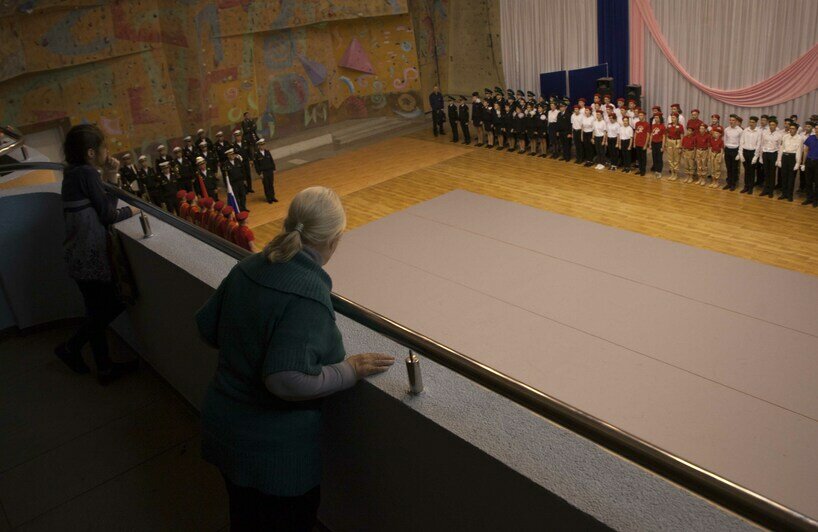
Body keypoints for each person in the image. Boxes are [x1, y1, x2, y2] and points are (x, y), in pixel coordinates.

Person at [196, 187, 395, 531]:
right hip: (272, 455)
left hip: (223, 430)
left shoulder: (248, 267)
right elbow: (284, 379)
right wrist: (350, 370)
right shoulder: (307, 294)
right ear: (334, 240)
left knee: (244, 519)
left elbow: (206, 327)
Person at [55, 124, 139, 385]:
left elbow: (101, 207)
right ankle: (72, 348)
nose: (108, 151)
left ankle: (102, 366)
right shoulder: (88, 174)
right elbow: (108, 215)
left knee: (95, 310)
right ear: (91, 153)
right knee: (112, 304)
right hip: (89, 256)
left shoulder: (73, 172)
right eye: (104, 147)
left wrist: (109, 174)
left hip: (77, 255)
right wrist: (132, 212)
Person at [778, 122, 803, 202]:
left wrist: (797, 163)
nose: (791, 130)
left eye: (793, 129)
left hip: (793, 158)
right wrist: (779, 160)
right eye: (790, 128)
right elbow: (781, 148)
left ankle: (789, 195)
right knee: (784, 177)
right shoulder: (785, 136)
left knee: (791, 178)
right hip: (785, 157)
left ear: (796, 130)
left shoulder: (799, 138)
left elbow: (799, 151)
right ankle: (783, 194)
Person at [758, 118, 783, 197]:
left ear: (776, 126)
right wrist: (761, 157)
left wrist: (778, 159)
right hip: (765, 154)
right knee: (765, 173)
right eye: (770, 125)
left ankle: (771, 191)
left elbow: (780, 148)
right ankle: (765, 189)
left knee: (772, 173)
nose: (771, 126)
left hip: (773, 154)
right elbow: (762, 145)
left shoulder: (779, 135)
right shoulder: (765, 133)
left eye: (773, 125)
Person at [739, 116, 762, 194]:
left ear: (756, 123)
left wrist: (756, 156)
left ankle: (751, 188)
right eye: (750, 122)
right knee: (746, 171)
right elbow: (741, 142)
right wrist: (741, 154)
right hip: (745, 152)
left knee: (752, 171)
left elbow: (759, 145)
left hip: (753, 153)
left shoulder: (759, 132)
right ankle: (746, 186)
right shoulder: (745, 130)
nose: (751, 124)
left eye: (753, 122)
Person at [254, 138, 278, 203]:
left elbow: (271, 160)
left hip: (270, 170)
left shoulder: (267, 152)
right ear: (258, 146)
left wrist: (274, 168)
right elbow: (256, 165)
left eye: (264, 145)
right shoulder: (256, 154)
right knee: (266, 185)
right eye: (261, 145)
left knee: (271, 184)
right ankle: (268, 198)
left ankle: (273, 197)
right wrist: (259, 173)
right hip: (263, 172)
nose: (263, 146)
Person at [723, 114, 743, 191]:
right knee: (728, 168)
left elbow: (741, 142)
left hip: (735, 150)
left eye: (733, 120)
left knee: (734, 168)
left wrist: (739, 153)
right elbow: (725, 140)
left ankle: (733, 184)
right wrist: (725, 150)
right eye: (730, 120)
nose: (731, 122)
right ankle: (728, 183)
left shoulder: (740, 130)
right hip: (728, 149)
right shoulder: (726, 129)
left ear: (736, 121)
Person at [802, 121, 818, 207]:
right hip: (809, 161)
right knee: (808, 181)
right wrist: (803, 163)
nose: (817, 130)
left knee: (817, 182)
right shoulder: (810, 137)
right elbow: (805, 150)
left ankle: (816, 200)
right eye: (816, 128)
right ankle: (809, 198)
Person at [665, 113, 684, 180]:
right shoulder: (669, 125)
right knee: (670, 159)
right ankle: (672, 173)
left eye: (674, 117)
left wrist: (681, 146)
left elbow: (682, 136)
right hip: (669, 141)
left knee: (676, 159)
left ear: (677, 118)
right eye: (672, 117)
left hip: (677, 142)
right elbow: (667, 134)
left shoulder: (680, 126)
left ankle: (676, 174)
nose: (672, 119)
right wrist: (666, 143)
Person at [632, 111, 650, 176]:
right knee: (638, 158)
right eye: (639, 115)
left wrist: (646, 144)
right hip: (637, 143)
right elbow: (636, 133)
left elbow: (648, 135)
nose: (640, 116)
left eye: (641, 115)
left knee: (643, 158)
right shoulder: (637, 123)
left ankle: (643, 170)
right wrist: (634, 142)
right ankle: (640, 169)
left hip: (643, 144)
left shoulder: (647, 124)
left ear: (644, 116)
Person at [649, 113, 666, 178]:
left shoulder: (662, 126)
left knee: (659, 158)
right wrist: (650, 144)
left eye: (657, 118)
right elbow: (651, 135)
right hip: (653, 143)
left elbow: (664, 137)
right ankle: (656, 170)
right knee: (654, 157)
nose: (656, 119)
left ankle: (659, 171)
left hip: (659, 143)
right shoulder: (653, 125)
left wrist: (662, 146)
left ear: (660, 118)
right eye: (655, 118)